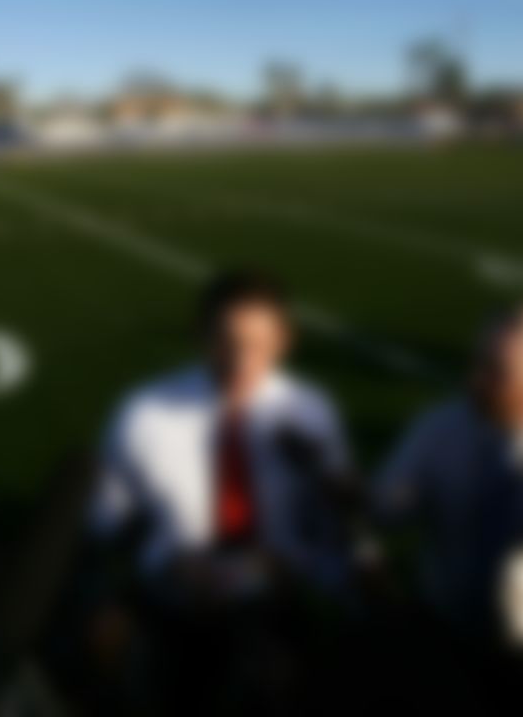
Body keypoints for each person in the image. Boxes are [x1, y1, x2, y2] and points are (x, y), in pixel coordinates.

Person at [85, 269, 354, 716]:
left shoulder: (311, 413)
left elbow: (333, 521)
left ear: (285, 341)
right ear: (199, 335)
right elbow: (105, 517)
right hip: (176, 611)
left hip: (278, 606)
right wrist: (168, 558)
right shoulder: (142, 413)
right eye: (225, 341)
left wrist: (295, 562)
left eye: (259, 345)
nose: (240, 361)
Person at [371, 304, 523, 714]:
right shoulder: (441, 426)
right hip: (443, 635)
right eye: (476, 363)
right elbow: (385, 510)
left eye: (498, 371)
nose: (476, 380)